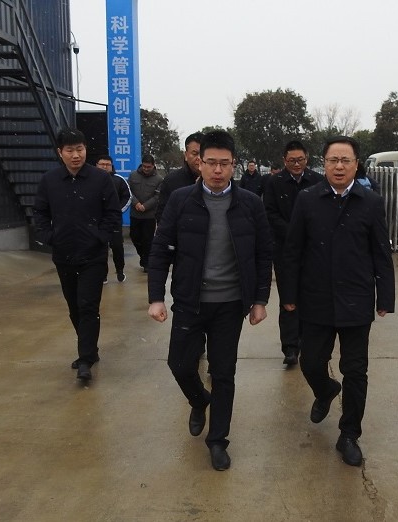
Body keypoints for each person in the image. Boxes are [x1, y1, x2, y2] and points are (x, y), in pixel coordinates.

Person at [147, 130, 272, 471]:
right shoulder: (181, 200)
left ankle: (218, 440)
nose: (218, 170)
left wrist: (260, 299)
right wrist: (156, 297)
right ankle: (199, 400)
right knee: (179, 364)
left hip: (230, 304)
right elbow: (160, 250)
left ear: (234, 165)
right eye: (211, 163)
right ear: (198, 163)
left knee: (223, 372)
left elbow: (263, 254)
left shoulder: (250, 204)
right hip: (190, 300)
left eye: (224, 163)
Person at [281, 136, 395, 467]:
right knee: (311, 362)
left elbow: (381, 252)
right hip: (315, 298)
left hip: (356, 299)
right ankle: (325, 390)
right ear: (324, 164)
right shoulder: (307, 200)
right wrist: (288, 294)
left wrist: (385, 296)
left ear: (356, 164)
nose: (339, 166)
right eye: (333, 160)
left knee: (355, 370)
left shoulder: (371, 202)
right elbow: (292, 250)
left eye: (346, 160)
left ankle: (349, 434)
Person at [33, 129, 122, 381]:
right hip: (64, 255)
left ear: (85, 150)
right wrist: (49, 237)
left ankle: (85, 359)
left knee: (88, 305)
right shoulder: (50, 180)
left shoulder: (100, 179)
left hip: (93, 256)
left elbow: (112, 212)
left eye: (80, 149)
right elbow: (40, 212)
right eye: (70, 150)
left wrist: (101, 237)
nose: (76, 155)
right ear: (60, 153)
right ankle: (90, 349)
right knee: (74, 307)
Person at [263, 140, 324, 366]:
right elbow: (269, 212)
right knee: (288, 296)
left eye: (300, 160)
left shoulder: (318, 181)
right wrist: (292, 232)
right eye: (292, 161)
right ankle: (290, 347)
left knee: (310, 296)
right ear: (284, 160)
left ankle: (306, 341)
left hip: (312, 249)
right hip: (284, 249)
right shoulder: (274, 182)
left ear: (307, 159)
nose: (296, 164)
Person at [154, 132, 203, 224]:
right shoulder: (171, 180)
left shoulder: (217, 179)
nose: (199, 158)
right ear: (186, 155)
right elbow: (162, 215)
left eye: (202, 154)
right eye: (195, 153)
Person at [96, 155, 131, 283]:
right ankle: (102, 274)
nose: (105, 167)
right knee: (100, 249)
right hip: (97, 222)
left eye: (108, 164)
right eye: (102, 164)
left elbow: (127, 197)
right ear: (96, 165)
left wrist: (117, 211)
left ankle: (120, 271)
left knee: (117, 247)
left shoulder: (119, 180)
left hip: (114, 221)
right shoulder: (90, 180)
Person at [128, 154, 163, 272]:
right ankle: (143, 256)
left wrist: (145, 206)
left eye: (149, 167)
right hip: (135, 213)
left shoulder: (159, 179)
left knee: (148, 240)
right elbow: (128, 191)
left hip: (149, 215)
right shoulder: (133, 175)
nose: (146, 169)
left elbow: (158, 196)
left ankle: (146, 262)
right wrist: (136, 203)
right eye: (144, 166)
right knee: (135, 237)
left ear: (153, 166)